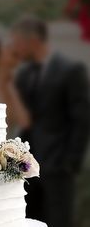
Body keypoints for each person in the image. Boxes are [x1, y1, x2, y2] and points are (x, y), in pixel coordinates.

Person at [11, 16, 90, 227]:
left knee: (59, 221)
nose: (16, 49)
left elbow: (81, 119)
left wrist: (70, 163)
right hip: (28, 168)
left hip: (58, 167)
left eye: (18, 43)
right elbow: (24, 120)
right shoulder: (25, 74)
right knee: (29, 221)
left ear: (33, 41)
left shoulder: (71, 70)